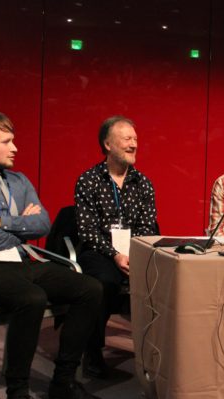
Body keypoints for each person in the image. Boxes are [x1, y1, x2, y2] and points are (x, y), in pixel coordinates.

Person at [0, 109, 102, 399]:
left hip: (21, 260)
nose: (15, 148)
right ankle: (18, 390)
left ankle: (63, 383)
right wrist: (21, 227)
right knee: (31, 298)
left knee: (89, 288)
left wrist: (2, 223)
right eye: (7, 141)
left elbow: (43, 223)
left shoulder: (19, 180)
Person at [74, 116, 159, 379]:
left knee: (161, 279)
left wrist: (135, 254)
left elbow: (147, 227)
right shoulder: (88, 180)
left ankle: (155, 352)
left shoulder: (143, 183)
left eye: (135, 139)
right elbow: (87, 231)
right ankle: (93, 351)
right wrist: (115, 255)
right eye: (127, 139)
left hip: (136, 251)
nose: (133, 144)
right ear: (108, 144)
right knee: (104, 284)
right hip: (100, 251)